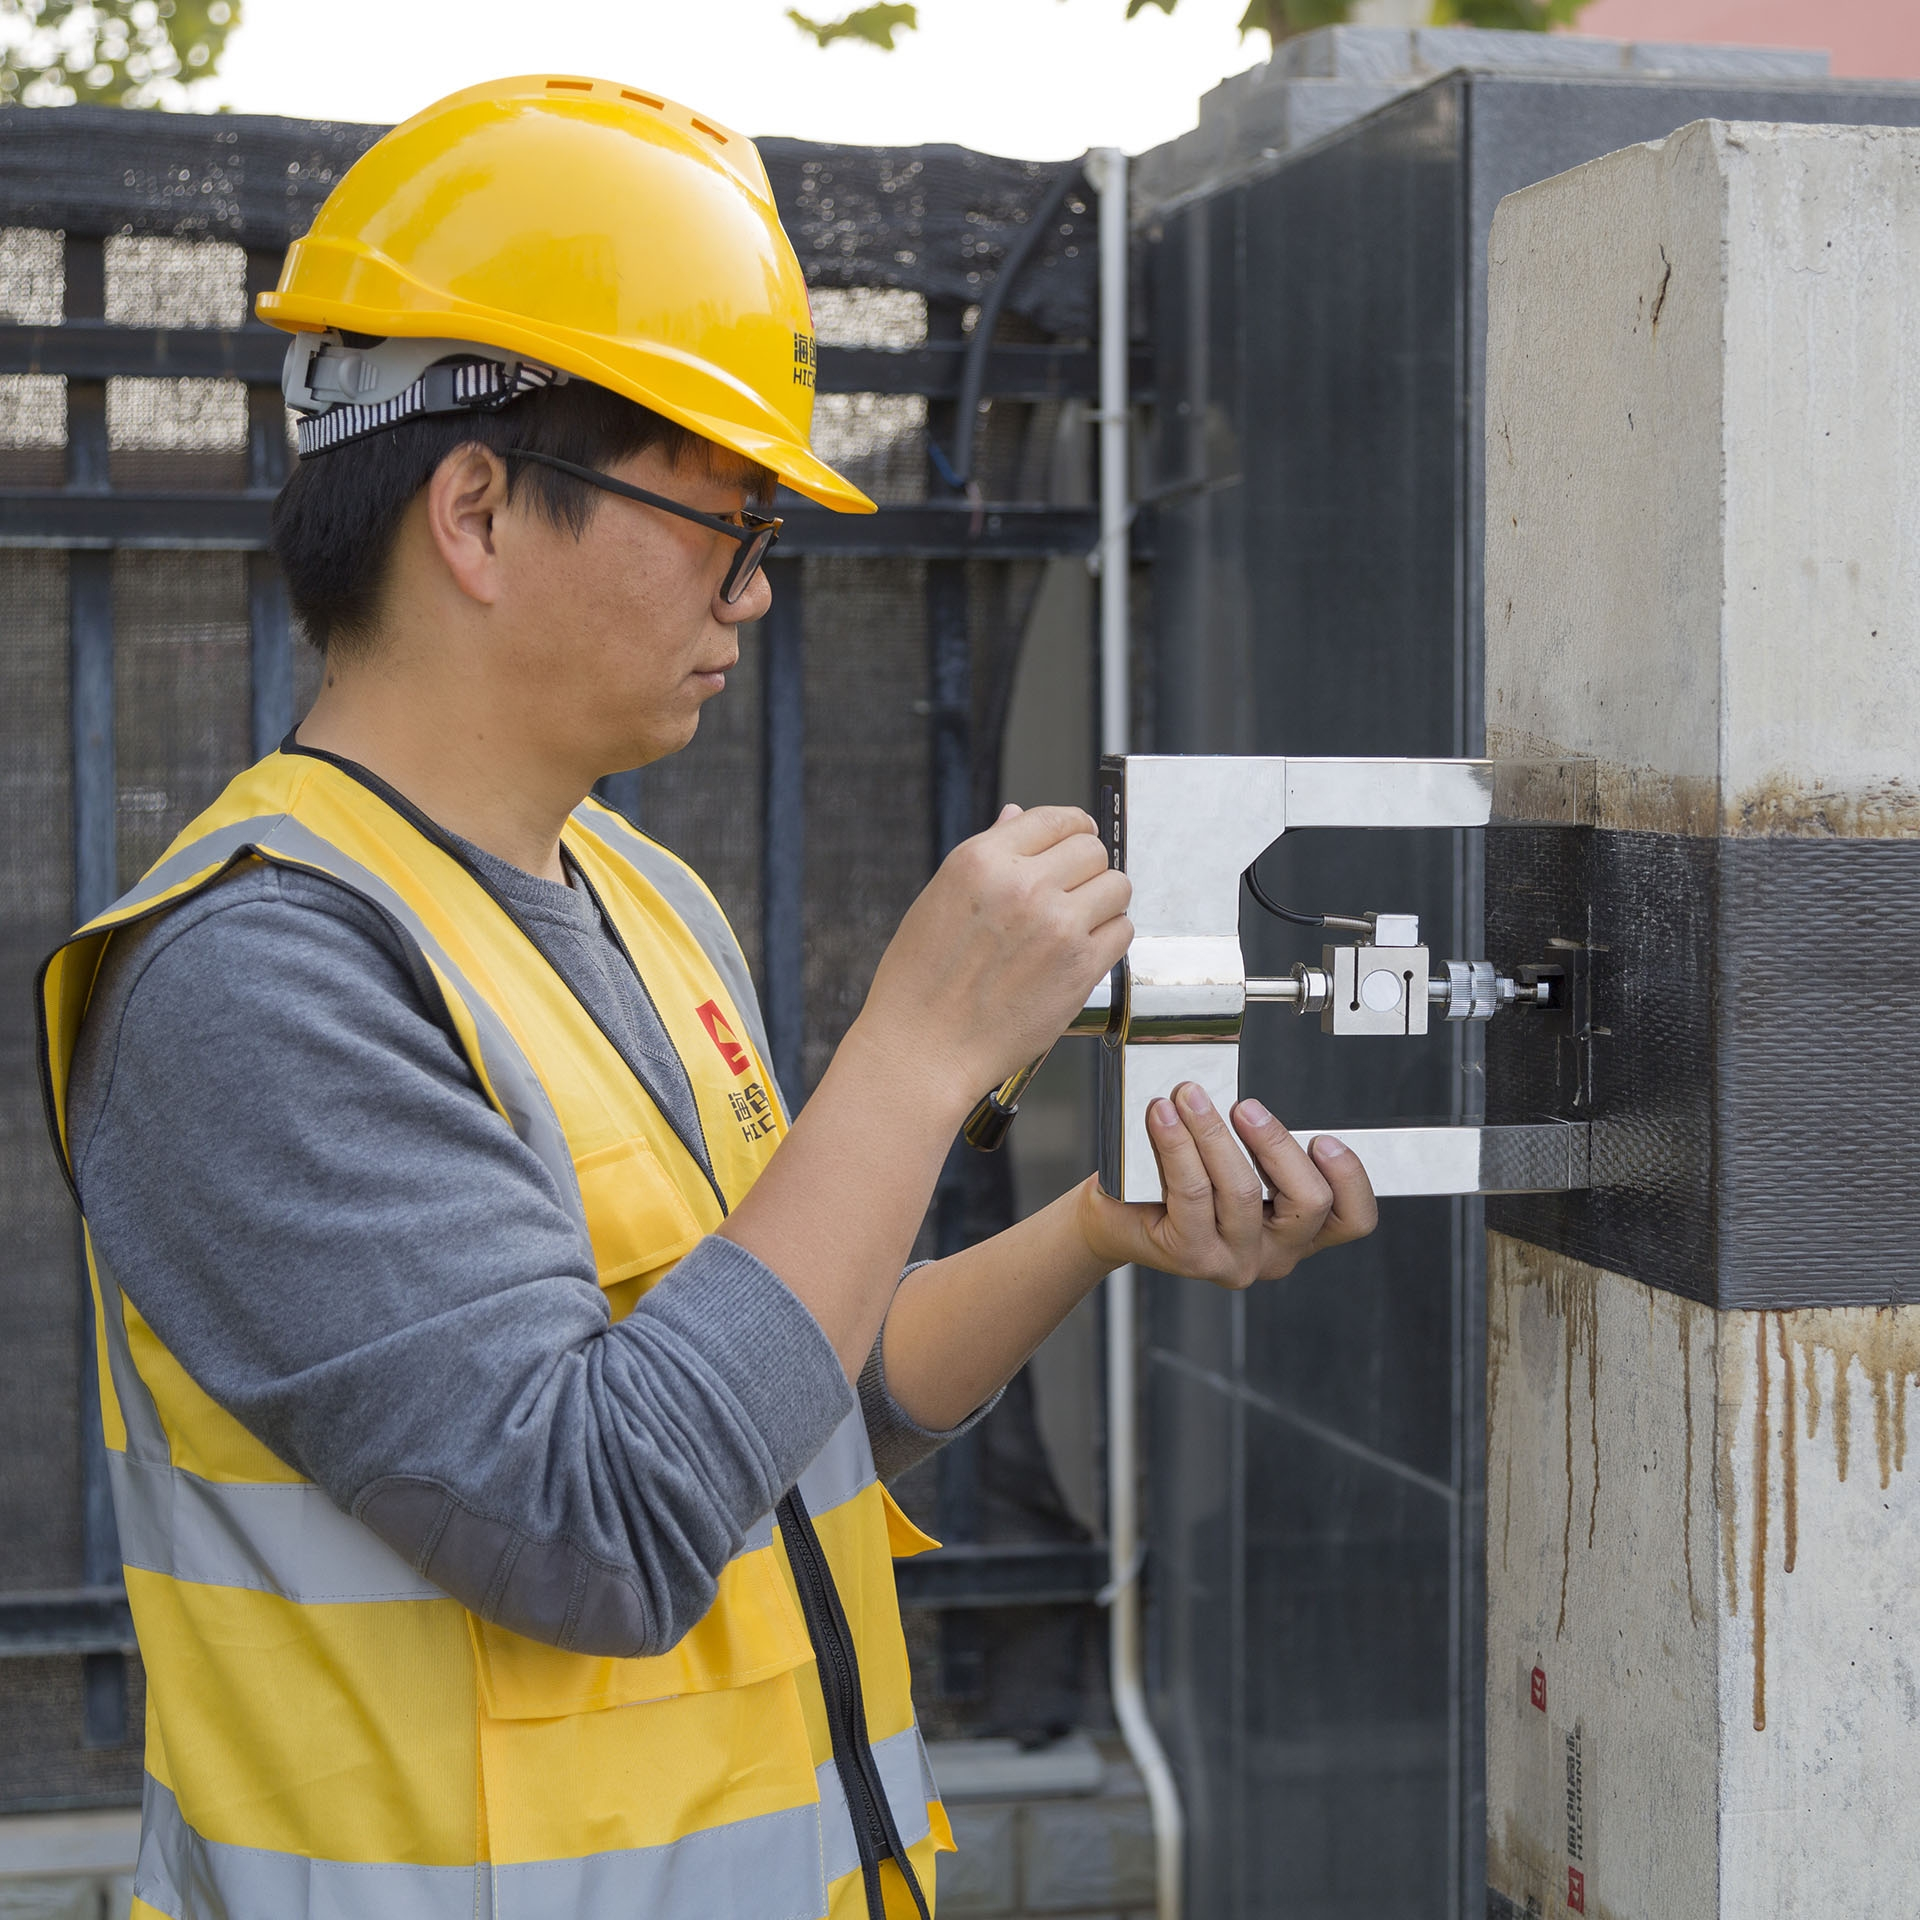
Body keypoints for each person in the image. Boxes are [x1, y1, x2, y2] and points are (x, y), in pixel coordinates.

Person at [37, 75, 1376, 1920]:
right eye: (723, 518)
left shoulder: (640, 898)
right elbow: (602, 1519)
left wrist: (1092, 1229)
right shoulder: (254, 979)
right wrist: (918, 1052)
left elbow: (788, 1393)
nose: (752, 592)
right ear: (478, 513)